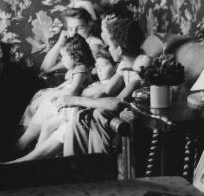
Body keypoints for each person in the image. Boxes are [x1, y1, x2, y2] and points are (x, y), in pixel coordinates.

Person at [59, 16, 152, 156]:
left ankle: (98, 167)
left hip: (144, 113)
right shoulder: (124, 63)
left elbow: (119, 102)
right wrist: (88, 106)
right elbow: (108, 90)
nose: (108, 49)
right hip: (129, 107)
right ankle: (77, 169)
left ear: (119, 49)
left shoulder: (143, 62)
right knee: (81, 115)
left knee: (100, 112)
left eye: (109, 46)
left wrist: (76, 100)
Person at [12, 46, 117, 162]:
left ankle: (20, 158)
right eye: (98, 67)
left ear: (115, 67)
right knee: (47, 124)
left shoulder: (107, 86)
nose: (99, 70)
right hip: (72, 112)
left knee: (51, 118)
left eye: (103, 66)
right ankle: (26, 154)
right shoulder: (96, 82)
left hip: (78, 117)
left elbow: (82, 93)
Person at [14, 34, 95, 152]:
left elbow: (72, 90)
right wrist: (52, 93)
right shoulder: (75, 69)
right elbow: (65, 85)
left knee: (46, 119)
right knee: (44, 119)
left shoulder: (80, 69)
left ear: (75, 56)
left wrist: (55, 95)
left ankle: (30, 150)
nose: (62, 60)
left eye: (64, 57)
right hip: (66, 105)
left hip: (71, 108)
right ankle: (30, 148)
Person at [40, 4, 104, 74]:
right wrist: (59, 43)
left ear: (89, 26)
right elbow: (44, 69)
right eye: (70, 29)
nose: (73, 33)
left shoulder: (94, 44)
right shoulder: (74, 47)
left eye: (79, 28)